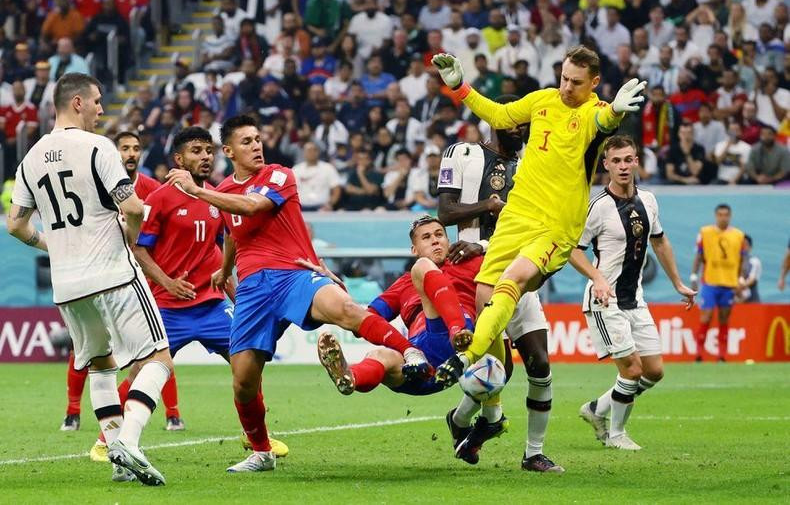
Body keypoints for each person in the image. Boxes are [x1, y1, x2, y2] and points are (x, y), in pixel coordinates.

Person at [164, 115, 429, 473]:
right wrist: (225, 271)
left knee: (345, 308)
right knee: (243, 382)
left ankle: (409, 351)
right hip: (253, 289)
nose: (256, 146)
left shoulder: (279, 175)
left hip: (293, 273)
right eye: (246, 142)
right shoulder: (224, 190)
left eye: (258, 139)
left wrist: (196, 190)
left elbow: (252, 207)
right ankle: (261, 452)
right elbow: (231, 233)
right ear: (229, 151)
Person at [428, 47, 646, 392]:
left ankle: (466, 358)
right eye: (564, 78)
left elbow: (605, 122)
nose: (567, 87)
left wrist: (617, 110)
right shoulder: (543, 99)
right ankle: (489, 398)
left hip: (555, 225)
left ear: (594, 83)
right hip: (518, 214)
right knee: (484, 294)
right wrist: (461, 88)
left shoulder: (593, 111)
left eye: (576, 82)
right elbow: (499, 115)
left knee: (512, 280)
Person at [6, 73, 172, 485]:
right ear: (77, 102)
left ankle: (119, 463)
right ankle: (128, 441)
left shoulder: (30, 159)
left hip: (67, 285)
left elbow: (15, 225)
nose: (101, 108)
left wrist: (52, 245)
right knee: (158, 359)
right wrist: (132, 235)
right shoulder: (98, 147)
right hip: (112, 273)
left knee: (101, 365)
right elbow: (133, 207)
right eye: (97, 101)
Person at [90, 127, 289, 461]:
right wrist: (167, 283)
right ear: (179, 159)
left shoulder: (217, 196)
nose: (206, 157)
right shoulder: (160, 198)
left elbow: (220, 249)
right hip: (169, 307)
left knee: (248, 364)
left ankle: (255, 436)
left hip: (211, 305)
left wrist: (234, 292)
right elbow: (139, 249)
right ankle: (105, 440)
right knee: (141, 373)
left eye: (209, 150)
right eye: (196, 151)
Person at [436, 94, 561, 472]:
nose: (521, 129)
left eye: (526, 124)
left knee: (540, 364)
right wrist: (489, 207)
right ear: (497, 121)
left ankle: (533, 453)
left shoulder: (531, 168)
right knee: (497, 370)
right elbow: (445, 211)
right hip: (478, 275)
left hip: (519, 269)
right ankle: (464, 420)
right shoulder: (461, 153)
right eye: (515, 122)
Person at [569, 135, 695, 451]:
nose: (623, 166)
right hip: (604, 300)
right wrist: (597, 278)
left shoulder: (649, 200)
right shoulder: (597, 207)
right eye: (616, 161)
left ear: (636, 161)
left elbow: (660, 241)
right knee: (632, 369)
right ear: (606, 165)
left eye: (628, 160)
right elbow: (572, 249)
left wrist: (677, 283)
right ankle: (616, 435)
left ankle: (597, 409)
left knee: (653, 372)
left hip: (634, 300)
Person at [60, 131, 182, 437]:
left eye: (136, 148)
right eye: (124, 148)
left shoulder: (152, 189)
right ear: (113, 154)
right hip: (99, 274)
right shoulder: (94, 182)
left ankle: (172, 414)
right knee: (89, 350)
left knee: (156, 349)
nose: (131, 153)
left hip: (137, 278)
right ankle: (73, 412)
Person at [314, 216, 476, 399]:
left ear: (448, 241)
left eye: (439, 235)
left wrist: (482, 246)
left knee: (422, 266)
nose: (435, 240)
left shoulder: (469, 263)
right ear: (414, 249)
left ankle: (457, 332)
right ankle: (350, 377)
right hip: (420, 365)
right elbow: (364, 321)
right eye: (426, 237)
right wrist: (338, 290)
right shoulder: (403, 284)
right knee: (379, 355)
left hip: (456, 340)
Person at [691, 204, 746, 362]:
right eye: (720, 215)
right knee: (706, 316)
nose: (723, 218)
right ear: (716, 216)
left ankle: (722, 355)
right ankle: (698, 354)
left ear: (730, 216)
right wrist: (694, 276)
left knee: (724, 318)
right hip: (710, 282)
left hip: (730, 283)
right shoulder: (705, 232)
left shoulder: (739, 235)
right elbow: (699, 256)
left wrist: (741, 279)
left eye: (726, 215)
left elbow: (742, 260)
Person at [738, 235, 762, 302]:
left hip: (752, 301)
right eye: (741, 245)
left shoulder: (754, 261)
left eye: (745, 245)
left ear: (750, 247)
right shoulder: (733, 262)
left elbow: (752, 280)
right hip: (735, 301)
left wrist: (739, 288)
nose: (743, 247)